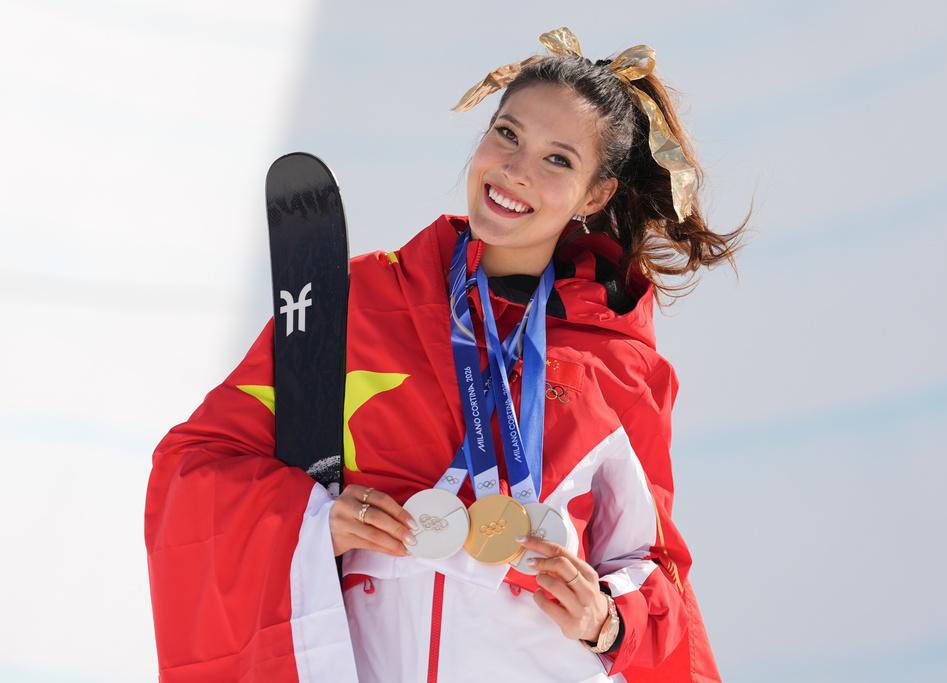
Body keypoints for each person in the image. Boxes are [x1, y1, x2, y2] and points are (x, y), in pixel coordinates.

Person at [145, 27, 743, 683]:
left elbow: (652, 562)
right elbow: (194, 469)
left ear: (596, 196)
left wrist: (609, 618)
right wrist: (314, 523)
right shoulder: (358, 306)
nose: (515, 170)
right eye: (508, 134)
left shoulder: (617, 361)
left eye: (558, 160)